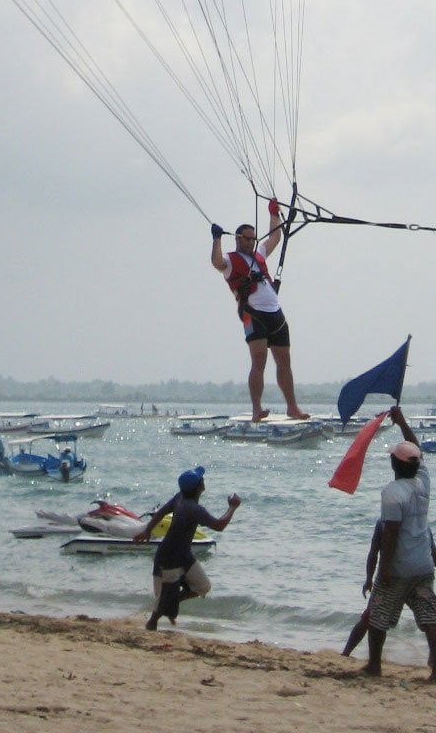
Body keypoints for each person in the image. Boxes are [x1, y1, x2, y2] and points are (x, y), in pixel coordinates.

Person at [361, 406, 436, 685]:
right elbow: (416, 449)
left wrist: (384, 569)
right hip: (423, 566)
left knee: (378, 617)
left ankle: (374, 665)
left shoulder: (392, 493)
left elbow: (391, 534)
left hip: (399, 568)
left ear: (394, 465)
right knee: (429, 619)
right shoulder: (423, 483)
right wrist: (402, 422)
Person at [210, 200, 308, 421]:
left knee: (284, 361)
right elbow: (216, 262)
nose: (251, 242)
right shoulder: (230, 260)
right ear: (238, 239)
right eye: (247, 239)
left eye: (253, 239)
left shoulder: (259, 254)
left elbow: (275, 237)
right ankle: (257, 409)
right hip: (253, 313)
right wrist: (216, 239)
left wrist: (273, 213)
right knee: (259, 360)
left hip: (275, 312)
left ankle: (292, 407)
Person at [133, 466, 240, 630]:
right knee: (162, 600)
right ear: (198, 487)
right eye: (201, 479)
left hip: (183, 554)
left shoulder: (180, 498)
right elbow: (219, 525)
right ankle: (152, 624)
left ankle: (172, 602)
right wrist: (232, 507)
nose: (203, 480)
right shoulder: (193, 509)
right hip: (169, 557)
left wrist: (148, 530)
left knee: (203, 586)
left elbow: (161, 512)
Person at [342, 516, 436, 657]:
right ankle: (435, 660)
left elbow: (374, 552)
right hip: (416, 579)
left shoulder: (383, 522)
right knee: (435, 613)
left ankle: (348, 653)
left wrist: (369, 579)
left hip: (391, 578)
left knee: (371, 615)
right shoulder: (422, 525)